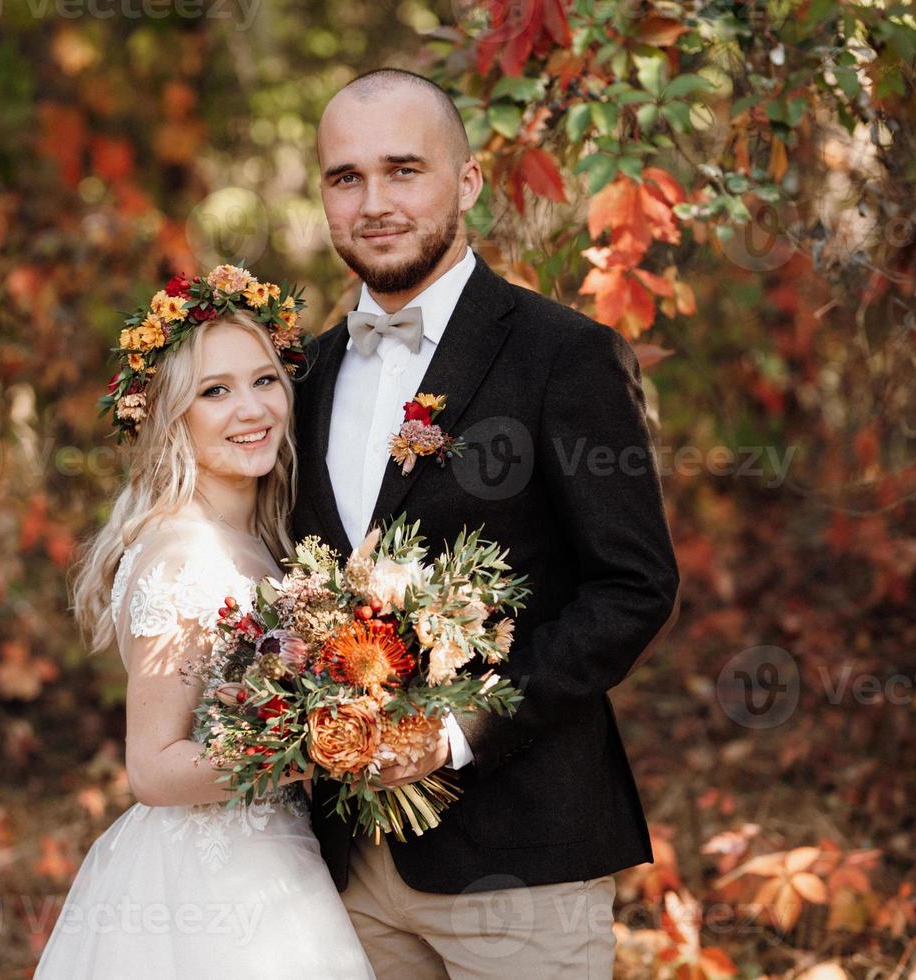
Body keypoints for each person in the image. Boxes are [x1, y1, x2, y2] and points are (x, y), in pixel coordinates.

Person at [290, 67, 681, 978]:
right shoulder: (298, 379)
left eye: (403, 170)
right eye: (346, 177)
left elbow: (633, 587)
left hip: (523, 865)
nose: (374, 201)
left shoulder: (565, 356)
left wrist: (458, 730)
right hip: (343, 875)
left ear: (466, 183)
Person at [34, 268, 374, 978]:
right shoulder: (181, 555)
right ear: (169, 416)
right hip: (215, 898)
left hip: (281, 865)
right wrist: (322, 747)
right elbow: (153, 769)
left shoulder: (260, 541)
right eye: (213, 392)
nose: (250, 410)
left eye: (264, 380)